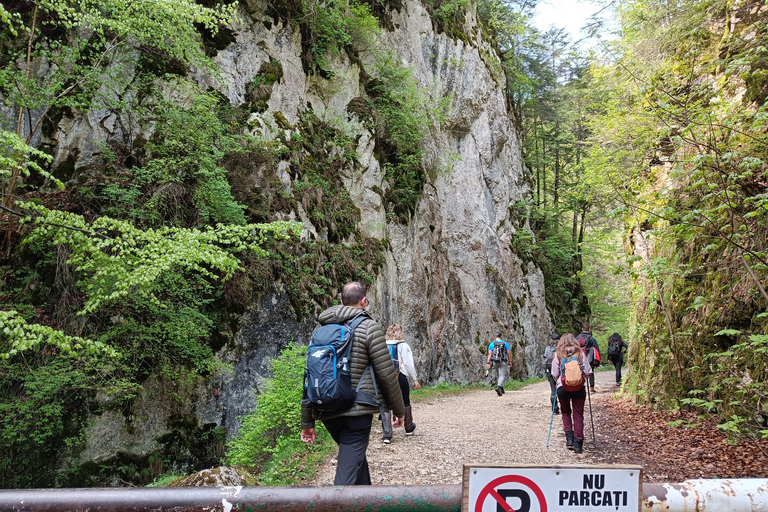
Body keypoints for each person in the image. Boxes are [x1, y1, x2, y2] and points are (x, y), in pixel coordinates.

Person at [300, 281, 405, 485]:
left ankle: (366, 499)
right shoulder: (369, 328)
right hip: (357, 412)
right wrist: (400, 410)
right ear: (363, 301)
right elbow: (386, 374)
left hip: (327, 410)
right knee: (346, 478)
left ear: (341, 302)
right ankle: (339, 501)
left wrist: (307, 422)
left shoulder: (320, 331)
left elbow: (309, 377)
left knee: (355, 459)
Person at [551, 333, 592, 454]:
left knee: (565, 412)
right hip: (579, 388)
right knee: (578, 414)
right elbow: (588, 372)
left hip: (563, 388)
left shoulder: (558, 354)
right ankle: (578, 443)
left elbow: (555, 373)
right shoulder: (580, 354)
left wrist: (559, 380)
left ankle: (569, 439)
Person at [380, 324, 420, 443]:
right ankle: (408, 427)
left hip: (386, 377)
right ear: (400, 333)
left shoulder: (383, 345)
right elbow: (407, 364)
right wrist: (414, 379)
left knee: (386, 403)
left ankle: (387, 434)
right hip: (401, 376)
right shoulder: (403, 345)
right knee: (405, 400)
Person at [577, 324, 599, 392]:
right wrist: (596, 360)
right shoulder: (592, 339)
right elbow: (596, 349)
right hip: (590, 358)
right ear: (589, 329)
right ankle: (591, 388)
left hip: (579, 357)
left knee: (580, 372)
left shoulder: (577, 338)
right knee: (591, 372)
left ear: (582, 329)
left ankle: (580, 387)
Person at [542, 333, 560, 414]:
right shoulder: (560, 348)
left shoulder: (547, 348)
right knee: (560, 387)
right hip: (558, 369)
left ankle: (554, 408)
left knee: (553, 388)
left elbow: (545, 359)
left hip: (549, 369)